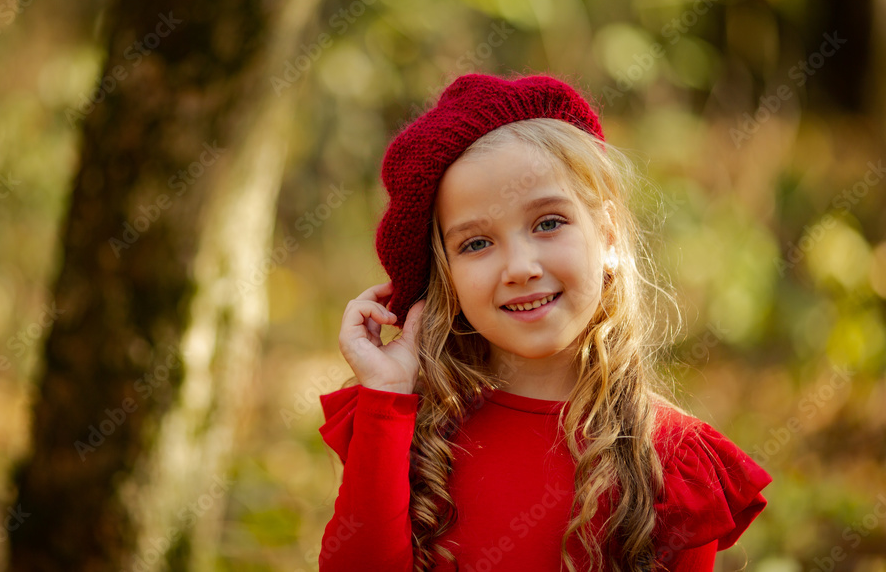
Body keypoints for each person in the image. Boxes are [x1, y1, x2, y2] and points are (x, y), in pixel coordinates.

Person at [317, 72, 772, 571]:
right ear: (445, 276)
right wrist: (386, 394)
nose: (520, 267)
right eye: (476, 243)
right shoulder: (411, 428)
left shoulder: (670, 457)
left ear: (609, 233)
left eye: (548, 223)